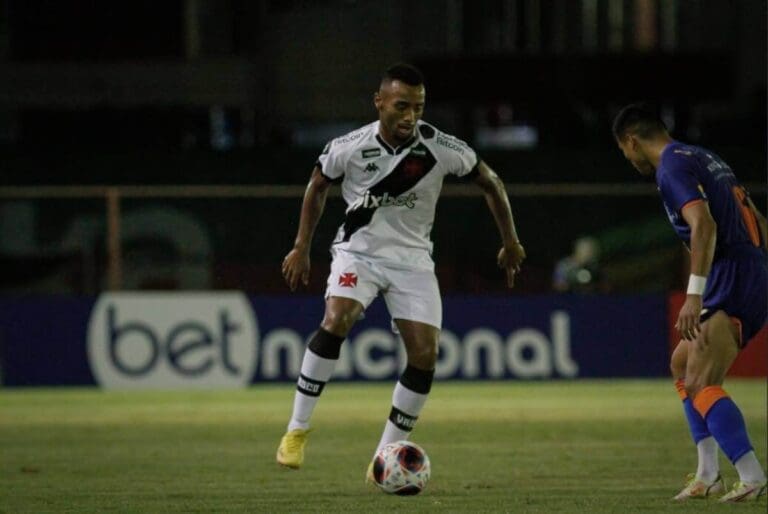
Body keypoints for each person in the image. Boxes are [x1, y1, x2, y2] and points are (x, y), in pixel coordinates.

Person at [276, 63, 526, 479]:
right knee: (338, 317)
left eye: (419, 107)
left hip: (412, 262)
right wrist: (301, 246)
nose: (411, 116)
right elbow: (318, 185)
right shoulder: (350, 146)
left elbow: (491, 182)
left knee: (425, 355)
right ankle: (296, 430)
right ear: (379, 103)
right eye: (402, 106)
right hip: (359, 253)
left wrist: (511, 240)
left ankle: (383, 456)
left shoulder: (440, 147)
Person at [613, 102, 768, 502]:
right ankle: (707, 473)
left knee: (701, 381)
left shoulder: (670, 168)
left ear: (631, 141)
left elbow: (705, 224)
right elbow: (754, 215)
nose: (628, 160)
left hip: (731, 274)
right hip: (748, 267)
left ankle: (751, 475)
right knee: (682, 365)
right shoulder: (704, 156)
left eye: (624, 152)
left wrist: (693, 295)